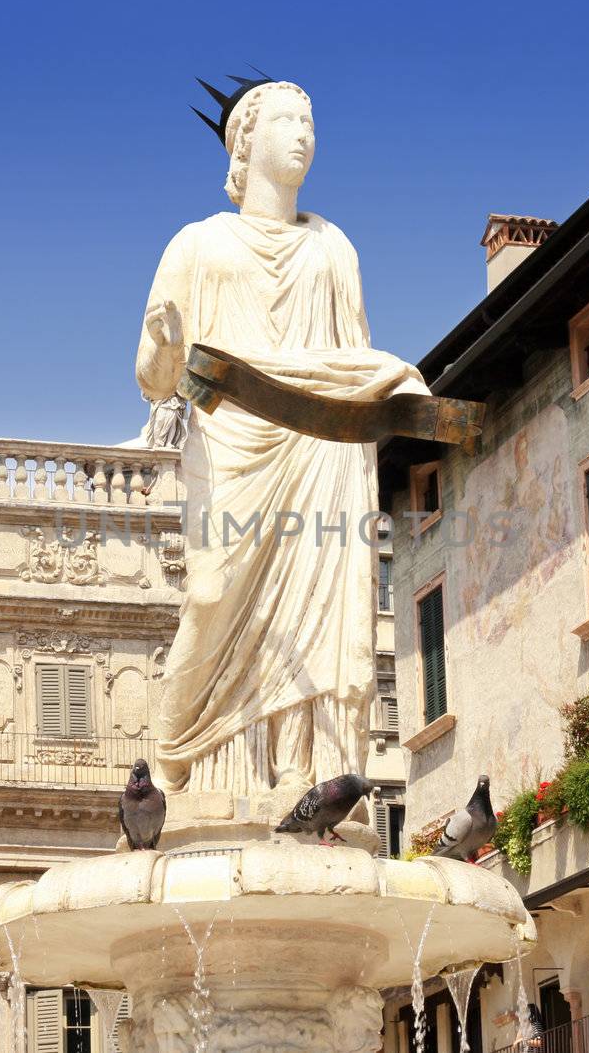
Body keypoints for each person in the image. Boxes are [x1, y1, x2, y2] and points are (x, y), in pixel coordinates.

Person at [137, 79, 427, 798]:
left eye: (311, 121)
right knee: (211, 594)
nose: (304, 133)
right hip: (231, 442)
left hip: (318, 445)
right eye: (287, 120)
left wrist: (388, 383)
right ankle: (176, 751)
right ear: (244, 140)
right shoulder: (199, 243)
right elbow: (153, 379)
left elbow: (350, 359)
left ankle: (299, 771)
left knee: (318, 607)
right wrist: (165, 343)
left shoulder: (332, 248)